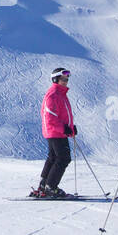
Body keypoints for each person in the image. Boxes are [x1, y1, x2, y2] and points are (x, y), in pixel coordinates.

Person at [32, 67, 76, 198]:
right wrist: (64, 129)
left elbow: (62, 115)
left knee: (53, 158)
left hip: (57, 132)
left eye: (67, 79)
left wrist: (71, 128)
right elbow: (50, 118)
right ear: (56, 79)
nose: (66, 81)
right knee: (63, 158)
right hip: (55, 132)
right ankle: (51, 187)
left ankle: (44, 185)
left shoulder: (60, 94)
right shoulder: (53, 95)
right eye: (63, 79)